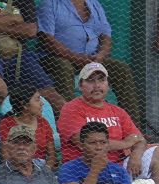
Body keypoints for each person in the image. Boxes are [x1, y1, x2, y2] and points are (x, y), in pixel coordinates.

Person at [38, 0, 138, 128]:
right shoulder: (50, 4)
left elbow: (106, 35)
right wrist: (75, 57)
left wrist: (101, 55)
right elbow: (47, 39)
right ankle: (71, 127)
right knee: (63, 68)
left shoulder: (94, 4)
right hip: (58, 57)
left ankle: (133, 129)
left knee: (121, 69)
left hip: (92, 58)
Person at [0, 0, 67, 115]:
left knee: (53, 97)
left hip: (20, 55)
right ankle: (3, 124)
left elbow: (31, 31)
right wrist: (15, 20)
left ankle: (72, 128)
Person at [56, 63, 155, 182]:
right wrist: (125, 144)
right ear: (80, 85)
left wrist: (136, 155)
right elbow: (83, 142)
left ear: (108, 85)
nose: (97, 85)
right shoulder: (71, 109)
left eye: (101, 80)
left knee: (157, 154)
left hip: (118, 168)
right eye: (90, 80)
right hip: (83, 169)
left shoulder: (118, 111)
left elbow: (140, 139)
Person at [0, 81, 58, 169]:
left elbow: (52, 155)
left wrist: (44, 171)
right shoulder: (6, 123)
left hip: (41, 167)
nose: (42, 103)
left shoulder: (43, 122)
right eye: (37, 100)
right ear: (24, 105)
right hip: (15, 167)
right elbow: (5, 155)